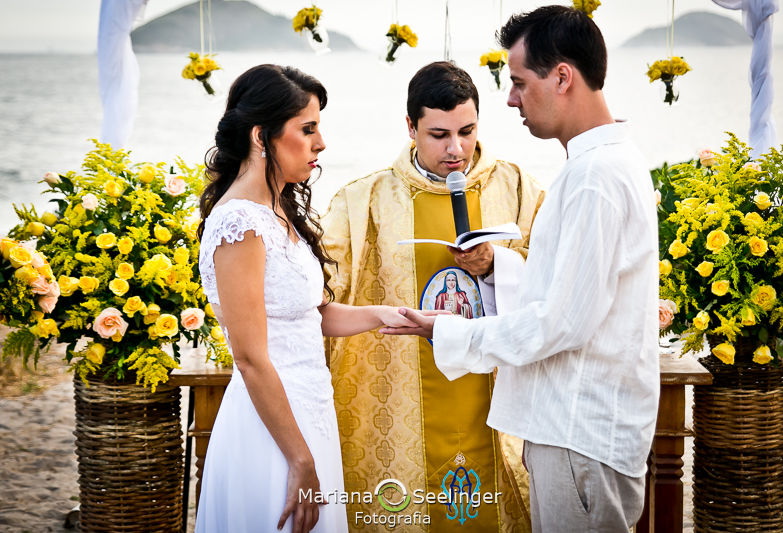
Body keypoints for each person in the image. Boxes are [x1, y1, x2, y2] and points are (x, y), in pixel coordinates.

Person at [381, 7, 660, 532]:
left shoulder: (595, 177)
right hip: (576, 429)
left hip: (581, 434)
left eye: (518, 82)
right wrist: (494, 269)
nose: (509, 99)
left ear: (561, 77)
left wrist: (450, 330)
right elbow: (570, 296)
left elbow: (562, 321)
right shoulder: (600, 164)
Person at [321, 61, 545, 531]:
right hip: (399, 391)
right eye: (439, 134)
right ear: (410, 127)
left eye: (466, 131)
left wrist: (496, 265)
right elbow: (319, 292)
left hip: (493, 393)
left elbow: (553, 280)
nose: (456, 149)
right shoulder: (363, 202)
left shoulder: (517, 188)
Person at [194, 65, 415, 533]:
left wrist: (384, 315)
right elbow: (251, 358)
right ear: (261, 136)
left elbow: (303, 317)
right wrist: (298, 458)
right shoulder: (239, 225)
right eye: (307, 128)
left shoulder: (278, 210)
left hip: (310, 410)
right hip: (271, 427)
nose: (321, 143)